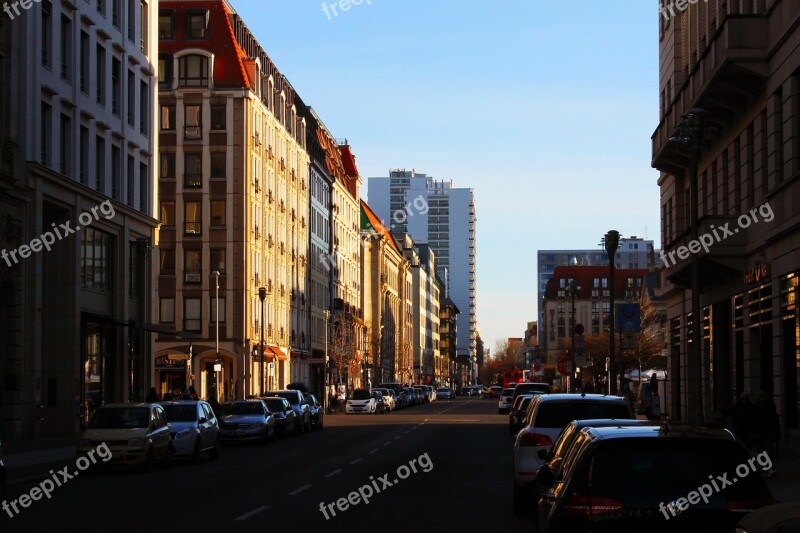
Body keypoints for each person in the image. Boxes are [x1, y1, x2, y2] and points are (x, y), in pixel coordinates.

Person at [753, 390, 780, 476]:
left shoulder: (767, 406)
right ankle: (766, 468)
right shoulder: (759, 407)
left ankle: (769, 468)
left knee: (767, 450)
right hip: (761, 432)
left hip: (766, 432)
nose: (761, 399)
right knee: (762, 450)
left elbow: (775, 420)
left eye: (762, 397)